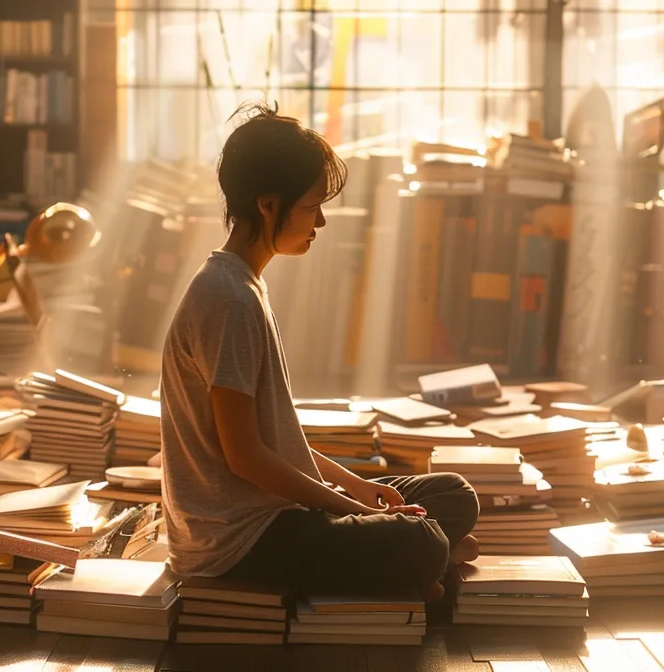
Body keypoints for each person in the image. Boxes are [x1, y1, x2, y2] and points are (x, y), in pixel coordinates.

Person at [158, 102, 480, 600]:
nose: (322, 222)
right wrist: (348, 509)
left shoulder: (243, 286)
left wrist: (355, 487)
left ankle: (421, 563)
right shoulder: (230, 301)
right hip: (236, 541)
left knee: (451, 494)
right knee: (419, 540)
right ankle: (423, 562)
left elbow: (275, 443)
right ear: (268, 204)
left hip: (274, 512)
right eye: (311, 206)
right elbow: (245, 458)